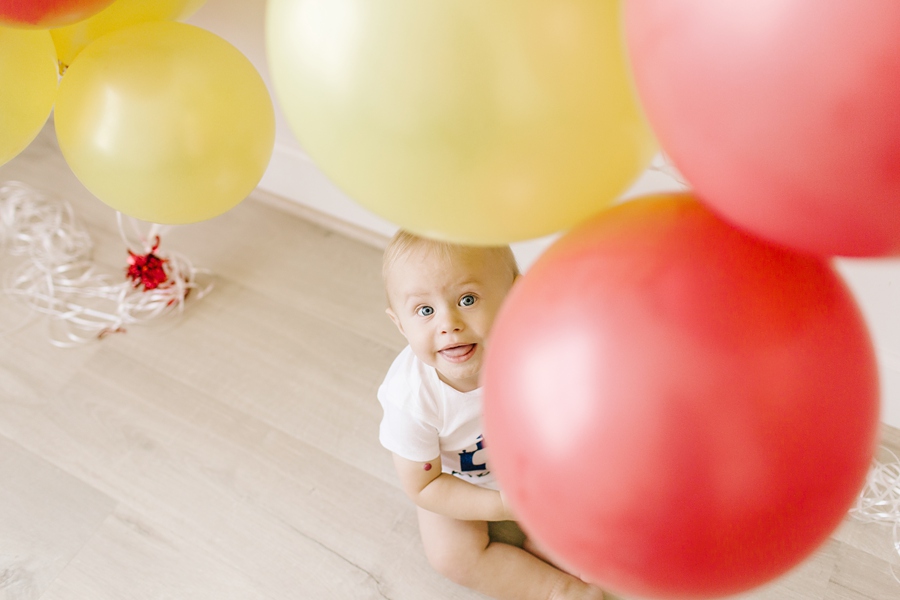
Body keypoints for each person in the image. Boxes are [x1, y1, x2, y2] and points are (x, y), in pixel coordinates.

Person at [378, 230, 605, 600]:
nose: (447, 323)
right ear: (401, 324)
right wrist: (501, 505)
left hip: (530, 463)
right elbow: (424, 486)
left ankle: (548, 541)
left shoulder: (533, 350)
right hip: (454, 483)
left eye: (467, 299)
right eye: (425, 310)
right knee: (452, 556)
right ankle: (552, 589)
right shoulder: (411, 399)